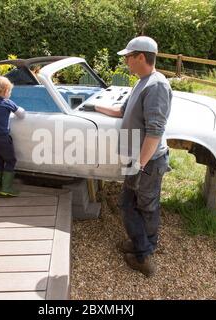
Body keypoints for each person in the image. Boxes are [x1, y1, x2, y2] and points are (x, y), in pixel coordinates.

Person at [82, 36, 172, 277]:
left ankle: (143, 256)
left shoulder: (157, 86)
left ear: (141, 57)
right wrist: (92, 106)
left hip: (147, 162)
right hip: (140, 161)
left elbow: (155, 132)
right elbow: (122, 111)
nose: (125, 62)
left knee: (141, 206)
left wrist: (139, 165)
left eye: (128, 58)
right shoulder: (142, 82)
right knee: (137, 204)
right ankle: (143, 244)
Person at [0, 76, 26, 196]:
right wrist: (19, 108)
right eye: (10, 91)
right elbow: (21, 114)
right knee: (10, 160)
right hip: (2, 138)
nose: (10, 93)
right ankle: (6, 188)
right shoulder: (7, 103)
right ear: (5, 91)